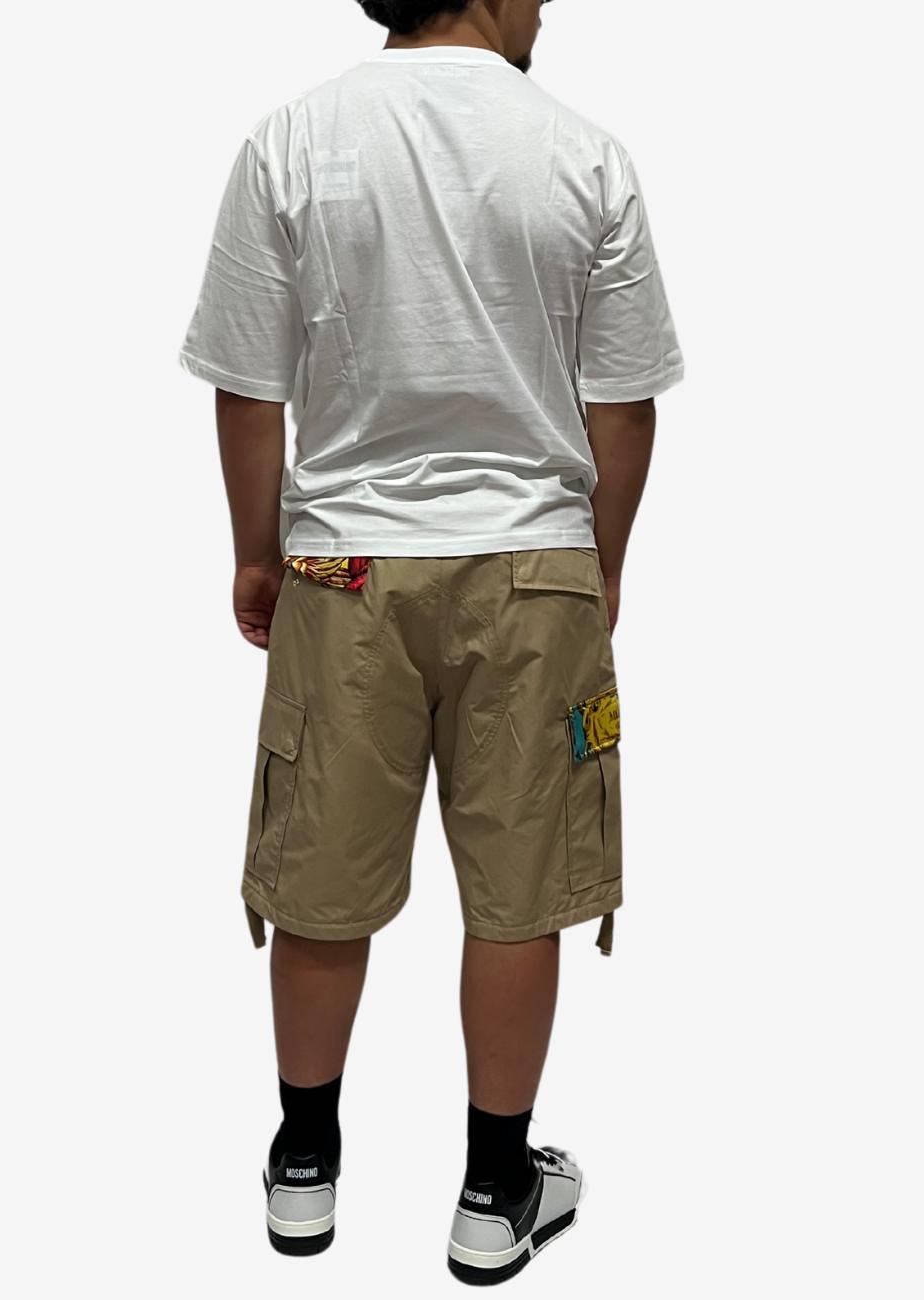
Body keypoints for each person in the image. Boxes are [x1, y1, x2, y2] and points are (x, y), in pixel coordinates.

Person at [178, 0, 683, 1283]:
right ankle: (495, 1188)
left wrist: (256, 552)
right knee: (520, 888)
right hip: (532, 567)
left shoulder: (294, 139)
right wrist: (599, 565)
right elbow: (622, 403)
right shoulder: (583, 154)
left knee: (319, 873)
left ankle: (304, 1164)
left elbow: (249, 382)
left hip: (342, 565)